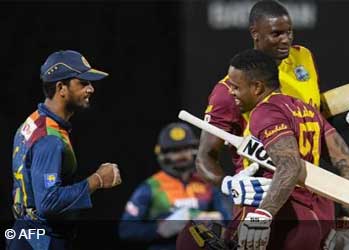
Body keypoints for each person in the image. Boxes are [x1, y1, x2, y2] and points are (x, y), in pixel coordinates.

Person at [226, 49, 349, 250]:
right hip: (321, 220)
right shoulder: (307, 109)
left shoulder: (265, 111)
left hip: (286, 220)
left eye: (235, 87)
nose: (230, 92)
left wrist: (264, 214)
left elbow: (290, 165)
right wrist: (344, 225)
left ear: (256, 87)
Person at [196, 0, 322, 209]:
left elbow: (318, 120)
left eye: (289, 32)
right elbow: (204, 157)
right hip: (262, 197)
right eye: (276, 34)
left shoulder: (303, 58)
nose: (286, 40)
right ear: (255, 33)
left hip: (311, 192)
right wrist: (228, 184)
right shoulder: (230, 91)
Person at [8, 50, 122, 250]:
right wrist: (98, 180)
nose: (91, 89)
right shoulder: (50, 138)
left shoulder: (34, 121)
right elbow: (48, 203)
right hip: (42, 241)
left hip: (25, 233)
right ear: (61, 88)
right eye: (82, 83)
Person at [119, 122, 231, 250]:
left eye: (186, 148)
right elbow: (126, 230)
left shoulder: (207, 184)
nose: (181, 155)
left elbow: (229, 219)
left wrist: (216, 219)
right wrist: (160, 229)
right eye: (175, 151)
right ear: (163, 154)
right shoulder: (150, 187)